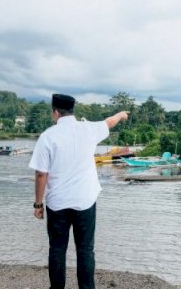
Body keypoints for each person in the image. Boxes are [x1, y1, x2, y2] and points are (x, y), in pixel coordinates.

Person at [30, 94, 129, 289]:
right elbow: (109, 122)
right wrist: (121, 114)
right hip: (85, 200)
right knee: (85, 250)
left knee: (57, 249)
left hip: (57, 203)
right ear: (72, 110)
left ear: (55, 112)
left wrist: (38, 204)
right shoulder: (89, 129)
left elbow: (41, 174)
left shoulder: (48, 136)